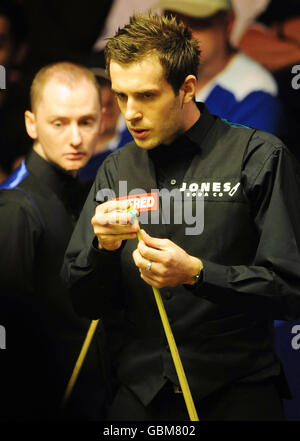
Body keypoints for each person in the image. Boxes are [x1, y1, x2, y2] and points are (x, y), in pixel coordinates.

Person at [62, 13, 300, 421]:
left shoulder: (257, 157)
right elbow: (85, 302)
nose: (130, 113)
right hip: (140, 397)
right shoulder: (114, 170)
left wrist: (197, 273)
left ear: (187, 88)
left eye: (146, 96)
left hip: (237, 393)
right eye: (121, 96)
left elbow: (290, 291)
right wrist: (102, 249)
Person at [0, 62, 108, 421]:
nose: (75, 138)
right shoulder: (15, 207)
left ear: (102, 121)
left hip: (92, 400)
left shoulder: (82, 192)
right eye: (59, 123)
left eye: (86, 121)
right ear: (32, 124)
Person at [154, 0, 286, 138]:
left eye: (197, 23)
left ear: (229, 23)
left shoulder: (254, 93)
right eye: (172, 22)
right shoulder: (152, 75)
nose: (182, 34)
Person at [78, 51, 132, 182]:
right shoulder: (70, 144)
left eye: (110, 86)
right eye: (96, 85)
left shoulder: (138, 142)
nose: (105, 96)